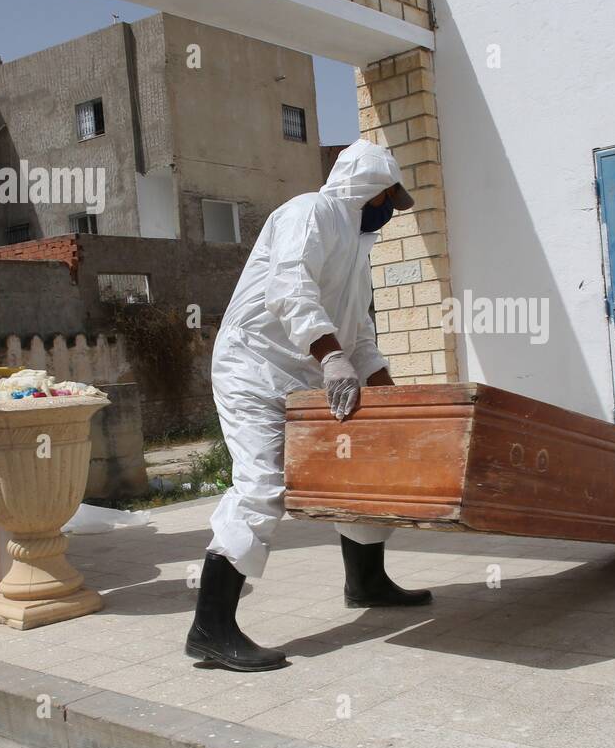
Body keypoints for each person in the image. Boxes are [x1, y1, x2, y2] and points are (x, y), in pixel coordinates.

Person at [185, 140, 432, 672]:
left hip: (310, 369)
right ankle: (210, 629)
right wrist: (331, 357)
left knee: (359, 467)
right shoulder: (309, 212)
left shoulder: (357, 251)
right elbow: (289, 289)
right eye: (389, 197)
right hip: (254, 369)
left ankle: (366, 582)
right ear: (370, 188)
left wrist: (392, 402)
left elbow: (361, 336)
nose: (391, 210)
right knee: (262, 486)